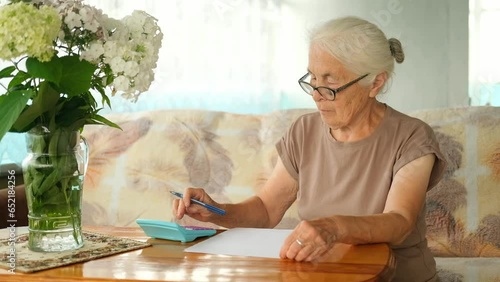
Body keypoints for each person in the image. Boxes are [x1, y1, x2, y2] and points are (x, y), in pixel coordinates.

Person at [172, 16, 446, 282]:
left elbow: (399, 223)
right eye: (313, 78)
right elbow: (267, 210)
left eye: (330, 82)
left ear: (375, 83)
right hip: (321, 275)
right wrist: (219, 211)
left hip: (391, 276)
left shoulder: (412, 136)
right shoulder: (304, 131)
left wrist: (334, 228)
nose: (316, 94)